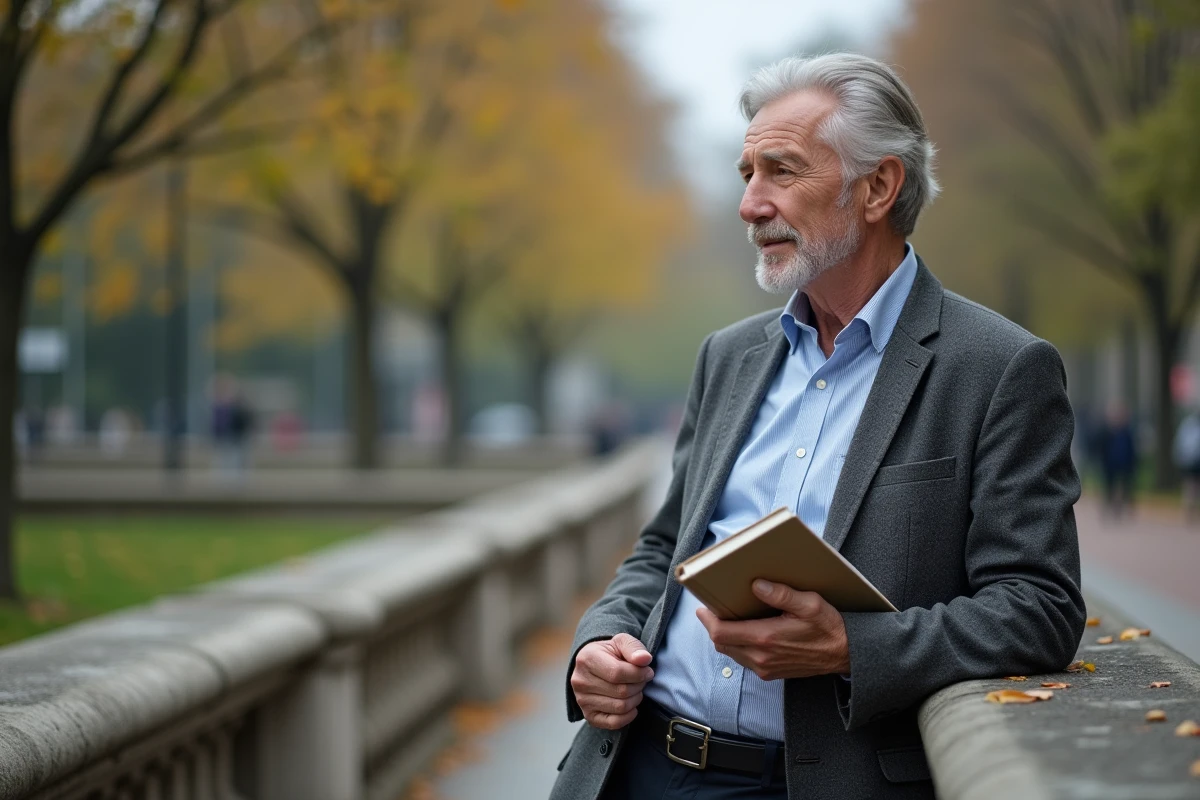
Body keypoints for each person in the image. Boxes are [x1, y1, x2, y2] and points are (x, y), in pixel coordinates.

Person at [551, 53, 1085, 800]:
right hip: (637, 767)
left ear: (877, 187)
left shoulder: (999, 368)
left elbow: (1040, 608)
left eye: (782, 171)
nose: (751, 204)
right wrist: (600, 643)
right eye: (746, 174)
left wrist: (851, 647)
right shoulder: (728, 356)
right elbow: (660, 552)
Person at [1098, 403, 1137, 517]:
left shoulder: (1128, 431)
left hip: (1125, 464)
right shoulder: (1106, 432)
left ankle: (1122, 509)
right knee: (1109, 487)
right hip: (1110, 465)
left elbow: (1132, 449)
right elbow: (1102, 448)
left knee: (1125, 487)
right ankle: (1108, 508)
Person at [1173, 408, 1200, 520]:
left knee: (1190, 487)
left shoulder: (1187, 424)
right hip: (1191, 461)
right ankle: (1189, 511)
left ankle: (1190, 511)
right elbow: (1180, 443)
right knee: (1190, 487)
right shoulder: (1188, 425)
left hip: (1189, 460)